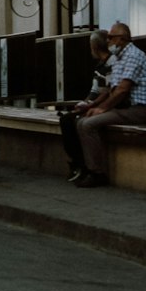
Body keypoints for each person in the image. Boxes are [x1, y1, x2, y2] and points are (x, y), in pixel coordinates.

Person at [75, 21, 146, 188]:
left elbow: (122, 90)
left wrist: (102, 109)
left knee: (88, 125)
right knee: (81, 120)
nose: (108, 41)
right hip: (122, 108)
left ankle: (97, 173)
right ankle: (85, 167)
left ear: (122, 38)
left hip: (136, 109)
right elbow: (110, 89)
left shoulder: (133, 56)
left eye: (111, 37)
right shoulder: (120, 57)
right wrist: (92, 105)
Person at [58, 30, 111, 183]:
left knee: (77, 123)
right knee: (66, 120)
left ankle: (85, 165)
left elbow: (107, 92)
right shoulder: (99, 66)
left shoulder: (110, 64)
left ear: (94, 46)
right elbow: (94, 91)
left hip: (103, 106)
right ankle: (78, 162)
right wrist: (84, 103)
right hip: (94, 104)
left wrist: (90, 105)